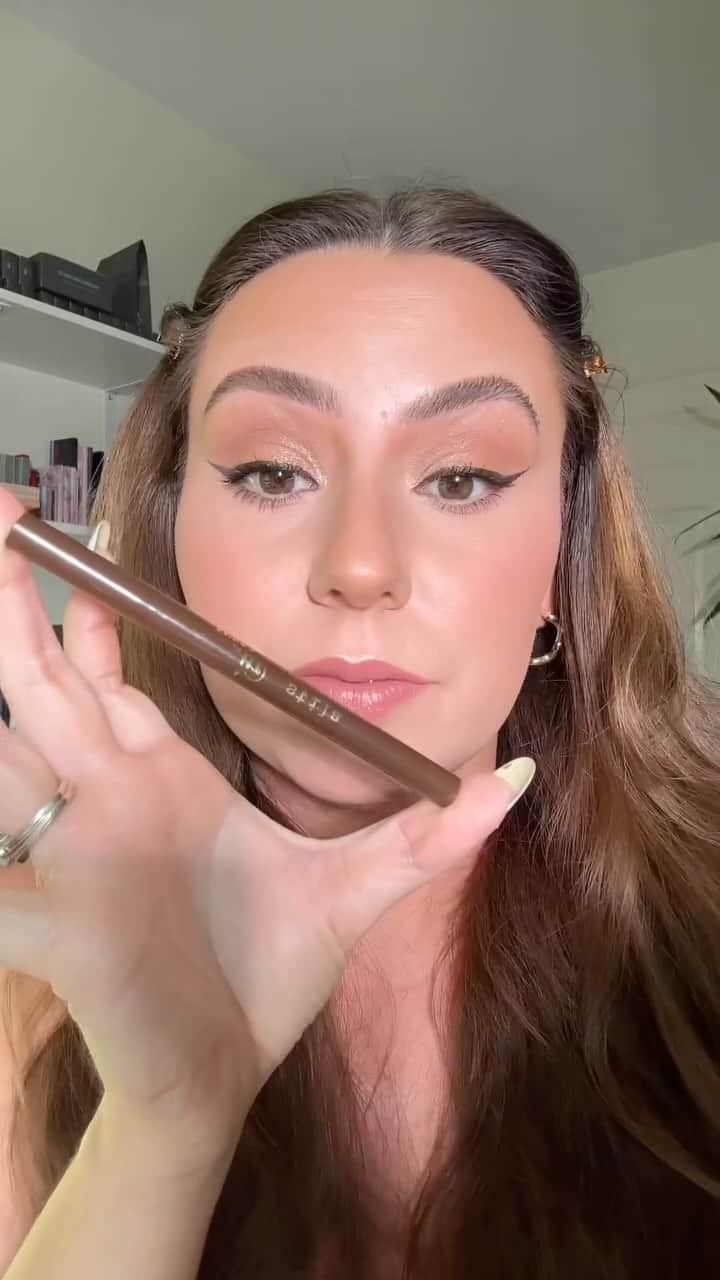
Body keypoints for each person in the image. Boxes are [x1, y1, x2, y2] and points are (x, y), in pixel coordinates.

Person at [0, 186, 718, 1279]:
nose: (361, 566)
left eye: (462, 477)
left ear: (561, 561)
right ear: (169, 533)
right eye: (272, 472)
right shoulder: (35, 1004)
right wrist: (164, 1136)